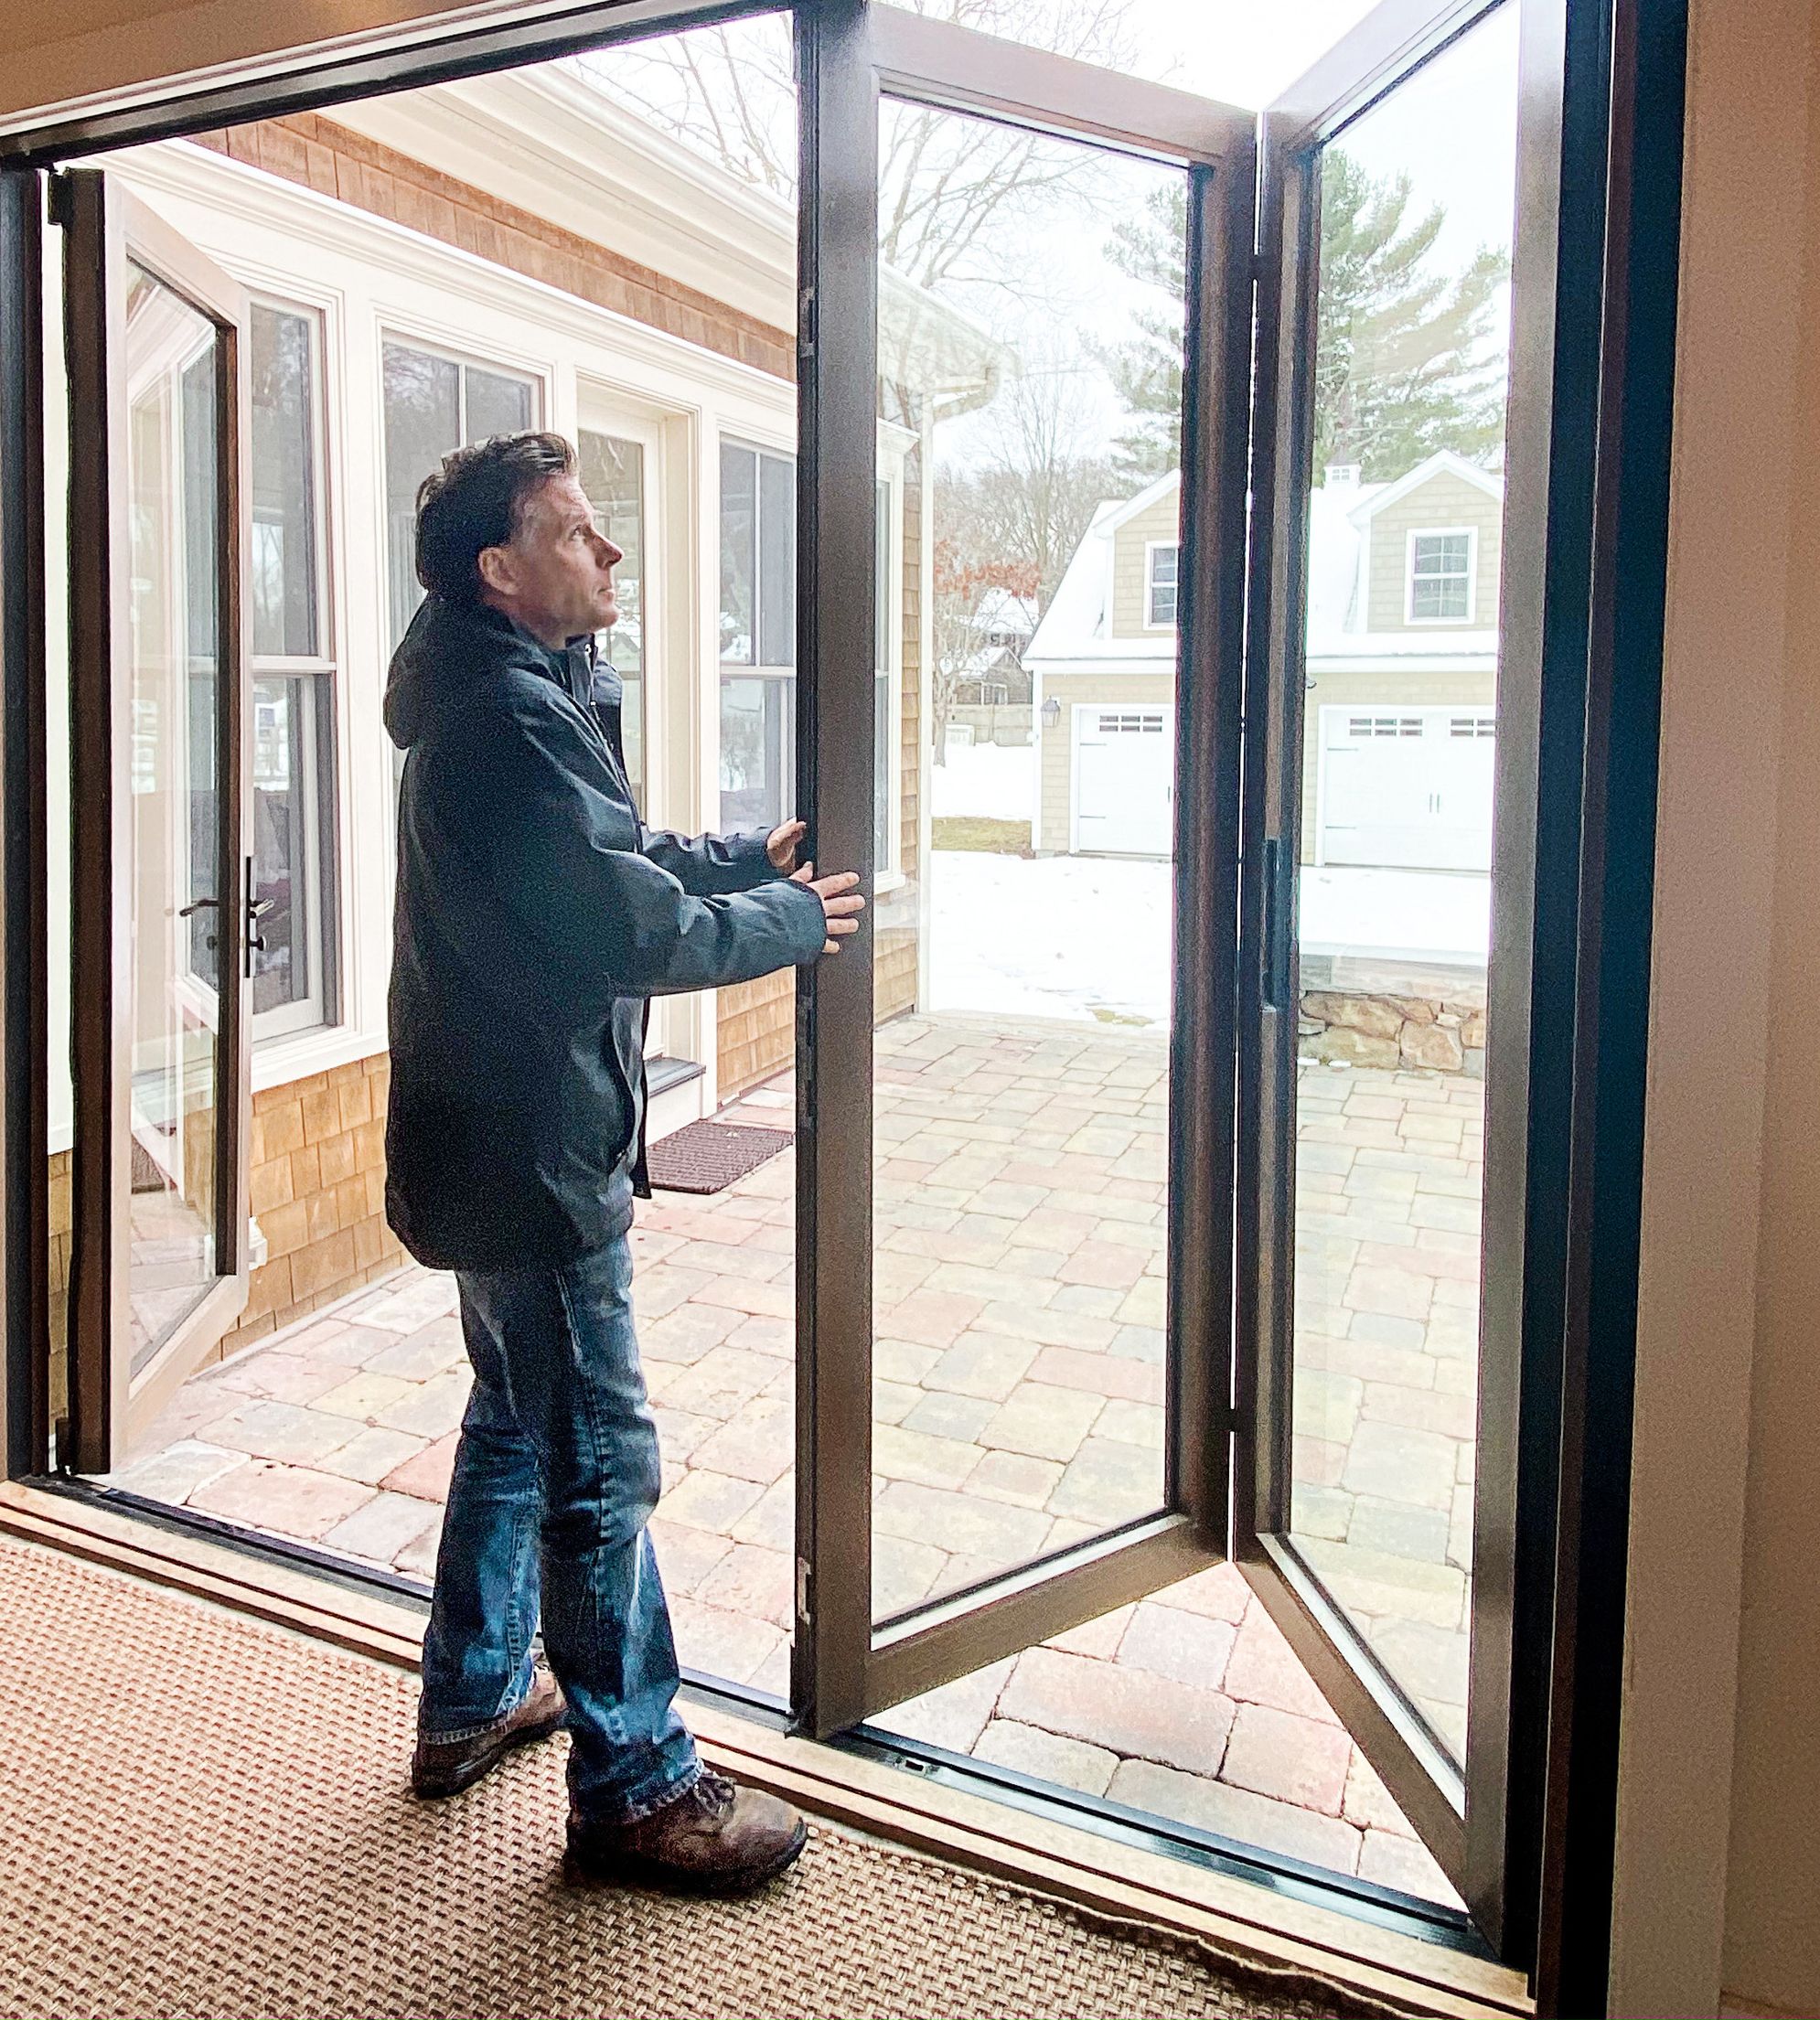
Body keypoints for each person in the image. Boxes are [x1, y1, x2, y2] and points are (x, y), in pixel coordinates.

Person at [382, 431, 862, 1897]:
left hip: (487, 1138)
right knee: (600, 1465)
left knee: (518, 1424)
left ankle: (473, 1696)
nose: (610, 553)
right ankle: (637, 1786)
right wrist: (800, 924)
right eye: (580, 532)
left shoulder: (511, 689)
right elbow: (619, 926)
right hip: (530, 1156)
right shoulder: (503, 719)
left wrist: (741, 863)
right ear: (499, 568)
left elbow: (617, 854)